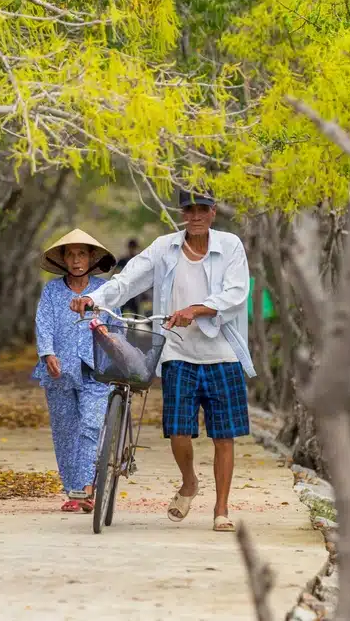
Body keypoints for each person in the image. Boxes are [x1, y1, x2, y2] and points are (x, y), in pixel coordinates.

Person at [71, 190, 252, 533]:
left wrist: (195, 310)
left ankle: (221, 509)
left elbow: (235, 293)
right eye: (189, 210)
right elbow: (127, 281)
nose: (195, 216)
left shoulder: (230, 246)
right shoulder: (164, 248)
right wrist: (92, 298)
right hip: (177, 351)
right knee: (179, 432)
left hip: (222, 353)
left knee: (223, 437)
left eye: (202, 210)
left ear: (213, 213)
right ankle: (189, 483)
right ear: (183, 213)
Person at [33, 229, 117, 513]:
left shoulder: (104, 290)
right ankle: (72, 490)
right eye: (71, 254)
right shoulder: (52, 290)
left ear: (92, 257)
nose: (77, 259)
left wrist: (112, 340)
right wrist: (47, 354)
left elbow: (115, 325)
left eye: (82, 253)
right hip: (59, 371)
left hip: (97, 370)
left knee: (91, 426)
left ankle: (87, 488)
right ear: (63, 259)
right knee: (65, 431)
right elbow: (43, 323)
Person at [116, 239, 144, 315]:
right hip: (124, 289)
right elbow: (116, 273)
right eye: (131, 247)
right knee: (120, 311)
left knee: (136, 312)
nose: (132, 249)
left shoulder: (139, 260)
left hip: (135, 290)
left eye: (134, 247)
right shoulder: (123, 260)